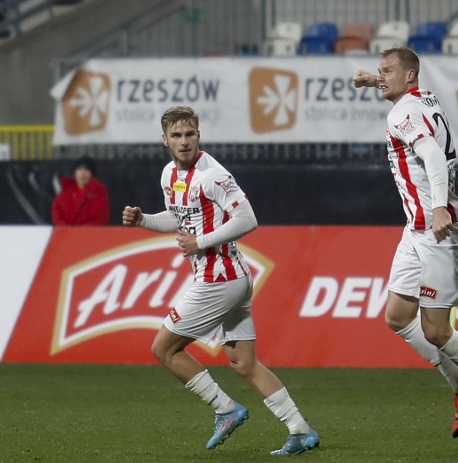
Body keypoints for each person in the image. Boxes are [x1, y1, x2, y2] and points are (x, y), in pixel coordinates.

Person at [121, 106, 319, 456]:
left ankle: (225, 409)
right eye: (177, 136)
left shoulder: (212, 175)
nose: (185, 142)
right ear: (164, 140)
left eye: (190, 134)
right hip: (232, 277)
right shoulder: (170, 173)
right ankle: (300, 430)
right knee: (244, 363)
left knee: (163, 348)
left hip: (219, 278)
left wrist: (201, 242)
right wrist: (144, 221)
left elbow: (248, 218)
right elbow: (178, 217)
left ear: (199, 135)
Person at [353, 47, 458, 440]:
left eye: (387, 71)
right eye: (379, 71)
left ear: (408, 76)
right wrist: (375, 81)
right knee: (397, 316)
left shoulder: (401, 113)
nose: (381, 75)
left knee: (437, 330)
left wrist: (439, 208)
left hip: (439, 229)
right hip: (416, 228)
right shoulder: (424, 97)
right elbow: (410, 93)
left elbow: (432, 158)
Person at [51, 156, 110, 226]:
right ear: (75, 173)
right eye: (79, 170)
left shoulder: (99, 192)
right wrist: (66, 229)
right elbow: (57, 213)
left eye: (86, 170)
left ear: (92, 174)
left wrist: (79, 232)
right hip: (66, 234)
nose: (82, 173)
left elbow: (100, 218)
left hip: (89, 234)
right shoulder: (66, 192)